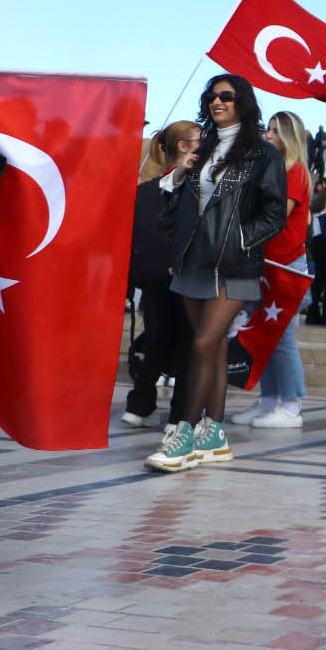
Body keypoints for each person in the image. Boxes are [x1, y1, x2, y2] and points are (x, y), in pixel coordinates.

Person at [145, 76, 286, 473]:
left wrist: (241, 237)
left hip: (235, 263)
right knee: (214, 345)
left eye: (226, 96)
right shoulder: (203, 149)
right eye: (212, 96)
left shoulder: (261, 153)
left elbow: (275, 213)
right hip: (194, 260)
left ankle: (185, 432)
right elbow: (173, 209)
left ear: (243, 101)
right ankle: (216, 433)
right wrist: (178, 176)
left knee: (204, 343)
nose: (217, 101)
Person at [230, 110, 313, 429]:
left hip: (285, 263)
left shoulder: (294, 173)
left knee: (282, 335)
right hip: (264, 261)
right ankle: (268, 401)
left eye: (275, 132)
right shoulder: (274, 168)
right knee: (263, 332)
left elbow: (277, 214)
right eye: (268, 129)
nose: (268, 136)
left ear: (289, 138)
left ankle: (291, 406)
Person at [122, 121, 198, 429]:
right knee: (184, 343)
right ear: (183, 146)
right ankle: (178, 413)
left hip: (153, 275)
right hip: (180, 273)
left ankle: (140, 404)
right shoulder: (185, 187)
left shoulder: (145, 191)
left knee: (156, 339)